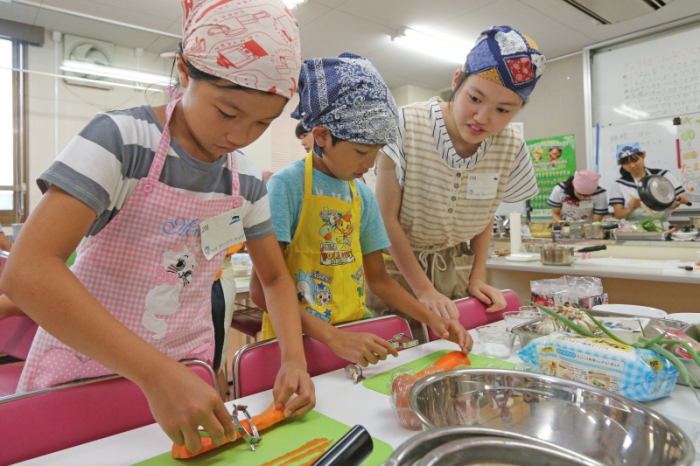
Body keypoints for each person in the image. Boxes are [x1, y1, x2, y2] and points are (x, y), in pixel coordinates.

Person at [0, 0, 315, 454]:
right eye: (228, 112)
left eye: (262, 123)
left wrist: (293, 359)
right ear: (185, 73)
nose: (240, 136)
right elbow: (27, 272)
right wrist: (154, 374)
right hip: (82, 374)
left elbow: (275, 278)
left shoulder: (245, 180)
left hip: (187, 378)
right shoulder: (121, 141)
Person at [250, 53, 471, 367]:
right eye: (360, 151)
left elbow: (379, 280)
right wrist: (331, 337)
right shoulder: (287, 187)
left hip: (354, 336)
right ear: (322, 136)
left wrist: (431, 319)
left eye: (377, 152)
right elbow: (262, 291)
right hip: (296, 344)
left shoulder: (362, 197)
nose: (369, 164)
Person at [370, 26, 543, 328]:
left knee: (455, 350)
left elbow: (484, 211)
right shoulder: (405, 125)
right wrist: (424, 290)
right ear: (456, 82)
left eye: (503, 109)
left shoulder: (511, 145)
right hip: (395, 269)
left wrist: (477, 278)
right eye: (474, 98)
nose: (483, 117)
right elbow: (385, 218)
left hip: (457, 268)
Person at [610, 142, 688, 223]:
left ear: (643, 155)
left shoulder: (663, 176)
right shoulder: (619, 184)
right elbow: (618, 215)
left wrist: (679, 202)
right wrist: (630, 209)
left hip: (661, 226)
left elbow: (672, 204)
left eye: (635, 160)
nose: (632, 165)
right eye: (626, 163)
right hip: (632, 229)